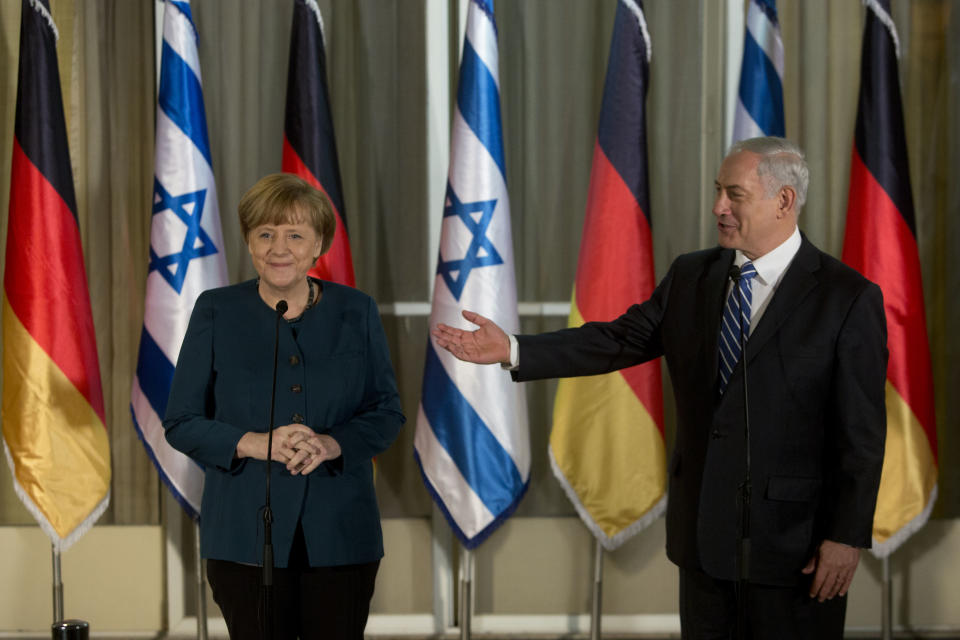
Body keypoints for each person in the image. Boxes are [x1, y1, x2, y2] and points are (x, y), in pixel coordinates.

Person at [432, 137, 887, 639]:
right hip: (703, 540)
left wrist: (845, 538)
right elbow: (617, 340)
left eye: (734, 194)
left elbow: (861, 436)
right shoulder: (692, 275)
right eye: (717, 191)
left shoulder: (847, 298)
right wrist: (515, 349)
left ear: (784, 201)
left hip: (795, 548)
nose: (718, 208)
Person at [164, 173, 405, 640]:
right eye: (266, 233)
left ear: (319, 246)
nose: (279, 247)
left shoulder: (357, 310)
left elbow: (386, 412)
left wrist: (332, 444)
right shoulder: (215, 311)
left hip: (341, 533)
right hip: (244, 535)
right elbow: (181, 421)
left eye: (295, 235)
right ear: (249, 242)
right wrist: (255, 443)